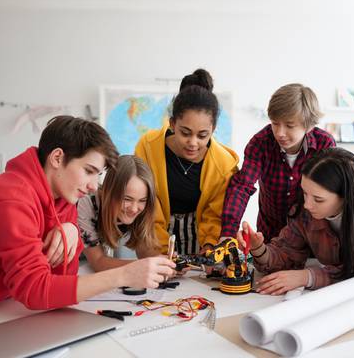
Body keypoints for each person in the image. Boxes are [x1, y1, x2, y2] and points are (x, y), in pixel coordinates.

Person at [0, 116, 175, 357]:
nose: (91, 186)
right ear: (57, 158)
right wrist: (123, 276)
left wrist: (71, 229)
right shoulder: (8, 198)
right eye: (88, 171)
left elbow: (64, 277)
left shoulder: (64, 199)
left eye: (96, 175)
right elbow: (36, 290)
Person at [237, 147, 354, 295]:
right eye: (304, 193)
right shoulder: (305, 211)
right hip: (346, 298)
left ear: (347, 197)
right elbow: (287, 256)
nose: (307, 205)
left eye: (318, 199)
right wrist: (258, 248)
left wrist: (308, 277)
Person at [135, 69, 239, 255]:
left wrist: (208, 248)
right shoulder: (148, 147)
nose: (193, 143)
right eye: (185, 133)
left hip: (199, 239)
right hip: (153, 235)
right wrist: (164, 251)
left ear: (213, 129)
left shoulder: (224, 165)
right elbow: (148, 205)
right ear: (172, 123)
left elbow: (214, 215)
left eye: (202, 135)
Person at [220, 83, 336, 243]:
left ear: (308, 126)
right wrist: (228, 232)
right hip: (270, 235)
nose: (280, 133)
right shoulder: (260, 143)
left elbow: (331, 194)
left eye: (289, 126)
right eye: (275, 123)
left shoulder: (324, 144)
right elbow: (242, 186)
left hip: (312, 236)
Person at [78, 155, 160, 271]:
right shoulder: (86, 204)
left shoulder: (142, 210)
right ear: (110, 192)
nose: (134, 209)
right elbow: (98, 262)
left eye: (142, 200)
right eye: (127, 199)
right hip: (75, 272)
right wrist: (145, 266)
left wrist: (163, 261)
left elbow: (145, 250)